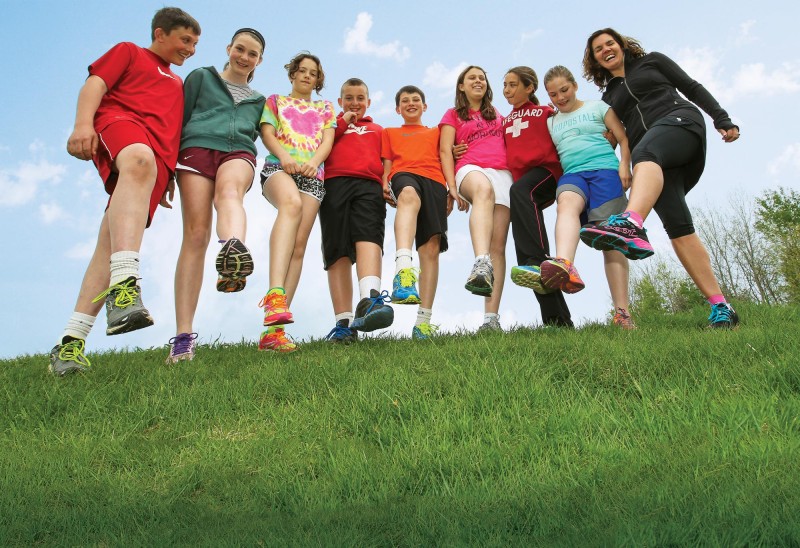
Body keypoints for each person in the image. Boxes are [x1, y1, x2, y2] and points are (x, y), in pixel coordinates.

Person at [49, 7, 201, 376]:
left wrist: (165, 177)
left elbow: (171, 130)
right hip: (123, 128)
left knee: (110, 241)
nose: (191, 50)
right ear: (160, 33)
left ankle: (70, 344)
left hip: (155, 161)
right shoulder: (129, 51)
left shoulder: (177, 84)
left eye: (195, 44)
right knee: (137, 159)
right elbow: (95, 85)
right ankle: (126, 286)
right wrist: (82, 124)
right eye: (185, 40)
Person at [579, 28, 741, 328]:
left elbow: (691, 86)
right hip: (653, 164)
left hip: (680, 124)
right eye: (598, 49)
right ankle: (722, 307)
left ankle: (630, 223)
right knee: (678, 227)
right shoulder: (608, 97)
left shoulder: (652, 62)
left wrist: (721, 117)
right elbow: (614, 137)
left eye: (609, 43)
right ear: (595, 60)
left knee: (646, 152)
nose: (605, 50)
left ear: (622, 45)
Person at [166, 28, 266, 364]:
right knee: (195, 235)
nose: (244, 57)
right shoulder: (200, 78)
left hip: (238, 153)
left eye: (252, 54)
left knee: (230, 192)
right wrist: (166, 167)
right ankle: (183, 338)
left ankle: (232, 251)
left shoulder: (259, 101)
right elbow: (176, 122)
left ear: (259, 61)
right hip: (195, 150)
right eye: (240, 49)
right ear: (229, 48)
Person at [541, 65, 635, 329]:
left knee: (610, 241)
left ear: (574, 86)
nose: (560, 98)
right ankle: (565, 264)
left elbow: (623, 138)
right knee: (566, 203)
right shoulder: (551, 121)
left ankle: (622, 313)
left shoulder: (598, 108)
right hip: (573, 175)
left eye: (564, 90)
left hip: (605, 172)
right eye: (553, 94)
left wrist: (624, 165)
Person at [258, 52, 336, 352]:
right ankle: (274, 295)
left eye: (312, 73)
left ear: (318, 80)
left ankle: (274, 332)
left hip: (312, 176)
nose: (306, 76)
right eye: (301, 71)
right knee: (290, 205)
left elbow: (327, 141)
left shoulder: (325, 107)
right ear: (292, 74)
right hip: (279, 169)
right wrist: (287, 158)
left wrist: (313, 163)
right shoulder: (276, 101)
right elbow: (267, 133)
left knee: (299, 246)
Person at [321, 78, 394, 344]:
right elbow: (322, 145)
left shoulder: (378, 130)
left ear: (369, 102)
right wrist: (341, 122)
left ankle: (370, 299)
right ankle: (344, 323)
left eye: (360, 98)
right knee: (336, 249)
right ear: (340, 102)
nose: (355, 103)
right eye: (349, 98)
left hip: (369, 186)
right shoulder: (330, 126)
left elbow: (388, 161)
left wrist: (387, 182)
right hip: (334, 184)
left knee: (369, 236)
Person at [439, 66, 511, 332]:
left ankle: (490, 320)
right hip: (470, 169)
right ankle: (480, 261)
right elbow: (446, 151)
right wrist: (451, 186)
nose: (478, 81)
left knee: (499, 248)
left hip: (502, 173)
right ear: (461, 86)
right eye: (472, 78)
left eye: (482, 77)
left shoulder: (498, 116)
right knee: (483, 191)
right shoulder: (453, 115)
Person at [501, 66, 574, 328]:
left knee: (520, 192)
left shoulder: (546, 112)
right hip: (524, 188)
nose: (506, 90)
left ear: (529, 87)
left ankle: (533, 261)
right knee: (525, 234)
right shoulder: (504, 121)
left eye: (512, 85)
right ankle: (557, 320)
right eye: (505, 85)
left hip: (547, 173)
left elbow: (569, 127)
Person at [382, 85, 451, 340]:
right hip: (403, 175)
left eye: (416, 100)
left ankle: (423, 322)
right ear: (398, 109)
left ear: (425, 106)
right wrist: (383, 183)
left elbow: (447, 157)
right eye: (405, 101)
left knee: (431, 250)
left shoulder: (436, 132)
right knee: (408, 195)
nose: (411, 103)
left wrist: (450, 191)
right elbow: (387, 164)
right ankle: (403, 270)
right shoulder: (389, 133)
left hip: (434, 181)